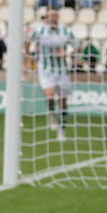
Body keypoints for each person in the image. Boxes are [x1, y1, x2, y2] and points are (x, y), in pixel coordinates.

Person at [29, 8, 77, 140]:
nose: (52, 18)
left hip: (62, 70)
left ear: (58, 17)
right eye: (50, 16)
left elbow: (76, 46)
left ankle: (62, 129)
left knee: (63, 100)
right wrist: (27, 60)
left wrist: (67, 53)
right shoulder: (40, 31)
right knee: (50, 95)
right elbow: (28, 41)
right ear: (47, 18)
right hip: (46, 69)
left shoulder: (66, 31)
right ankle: (51, 115)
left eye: (55, 15)